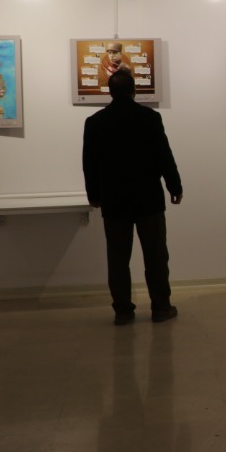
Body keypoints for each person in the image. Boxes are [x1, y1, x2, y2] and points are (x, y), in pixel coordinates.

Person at [83, 70, 183, 325]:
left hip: (114, 200)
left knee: (117, 259)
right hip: (148, 198)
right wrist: (175, 186)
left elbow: (89, 164)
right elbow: (164, 155)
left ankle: (123, 311)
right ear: (134, 90)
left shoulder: (95, 122)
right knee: (156, 256)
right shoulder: (150, 118)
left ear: (110, 92)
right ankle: (161, 307)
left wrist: (93, 195)